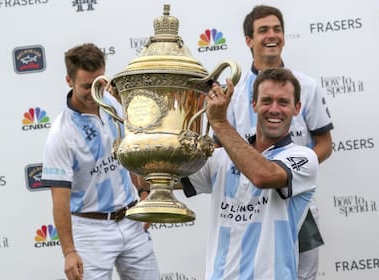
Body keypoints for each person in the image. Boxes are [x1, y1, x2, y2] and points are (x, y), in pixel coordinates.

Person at [224, 5, 334, 280]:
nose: (272, 35)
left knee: (303, 275)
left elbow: (325, 143)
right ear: (249, 40)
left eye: (277, 29)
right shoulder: (234, 94)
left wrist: (290, 172)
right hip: (246, 205)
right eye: (263, 30)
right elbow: (220, 151)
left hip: (297, 202)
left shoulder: (306, 86)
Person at [181, 68, 319, 279]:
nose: (274, 109)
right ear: (253, 104)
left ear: (297, 108)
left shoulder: (303, 158)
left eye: (283, 102)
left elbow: (262, 176)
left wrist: (219, 123)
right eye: (266, 101)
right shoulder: (220, 159)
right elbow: (154, 178)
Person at [41, 43, 159, 280]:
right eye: (87, 86)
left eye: (100, 84)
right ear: (69, 81)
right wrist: (69, 252)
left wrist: (144, 194)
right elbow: (60, 200)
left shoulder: (113, 103)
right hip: (90, 231)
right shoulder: (61, 134)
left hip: (130, 219)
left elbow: (131, 153)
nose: (95, 92)